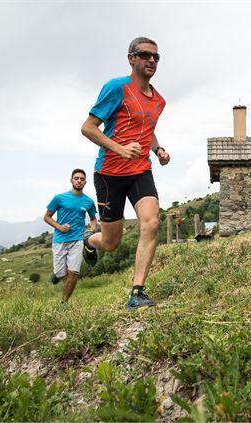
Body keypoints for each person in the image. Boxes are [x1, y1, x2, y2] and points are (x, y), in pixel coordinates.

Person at [81, 36, 170, 310]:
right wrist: (119, 149)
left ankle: (137, 292)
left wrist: (158, 149)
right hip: (109, 173)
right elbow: (89, 127)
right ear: (131, 58)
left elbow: (147, 126)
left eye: (156, 56)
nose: (151, 60)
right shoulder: (117, 88)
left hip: (140, 170)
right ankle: (89, 241)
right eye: (145, 55)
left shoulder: (159, 101)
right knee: (111, 242)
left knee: (151, 223)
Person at [44, 169, 98, 307]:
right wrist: (59, 227)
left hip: (77, 240)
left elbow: (93, 218)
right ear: (71, 180)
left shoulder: (89, 202)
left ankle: (64, 303)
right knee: (61, 274)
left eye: (81, 179)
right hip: (60, 240)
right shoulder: (59, 198)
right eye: (76, 178)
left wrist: (93, 228)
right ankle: (56, 275)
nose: (79, 181)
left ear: (85, 182)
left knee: (73, 273)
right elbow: (47, 217)